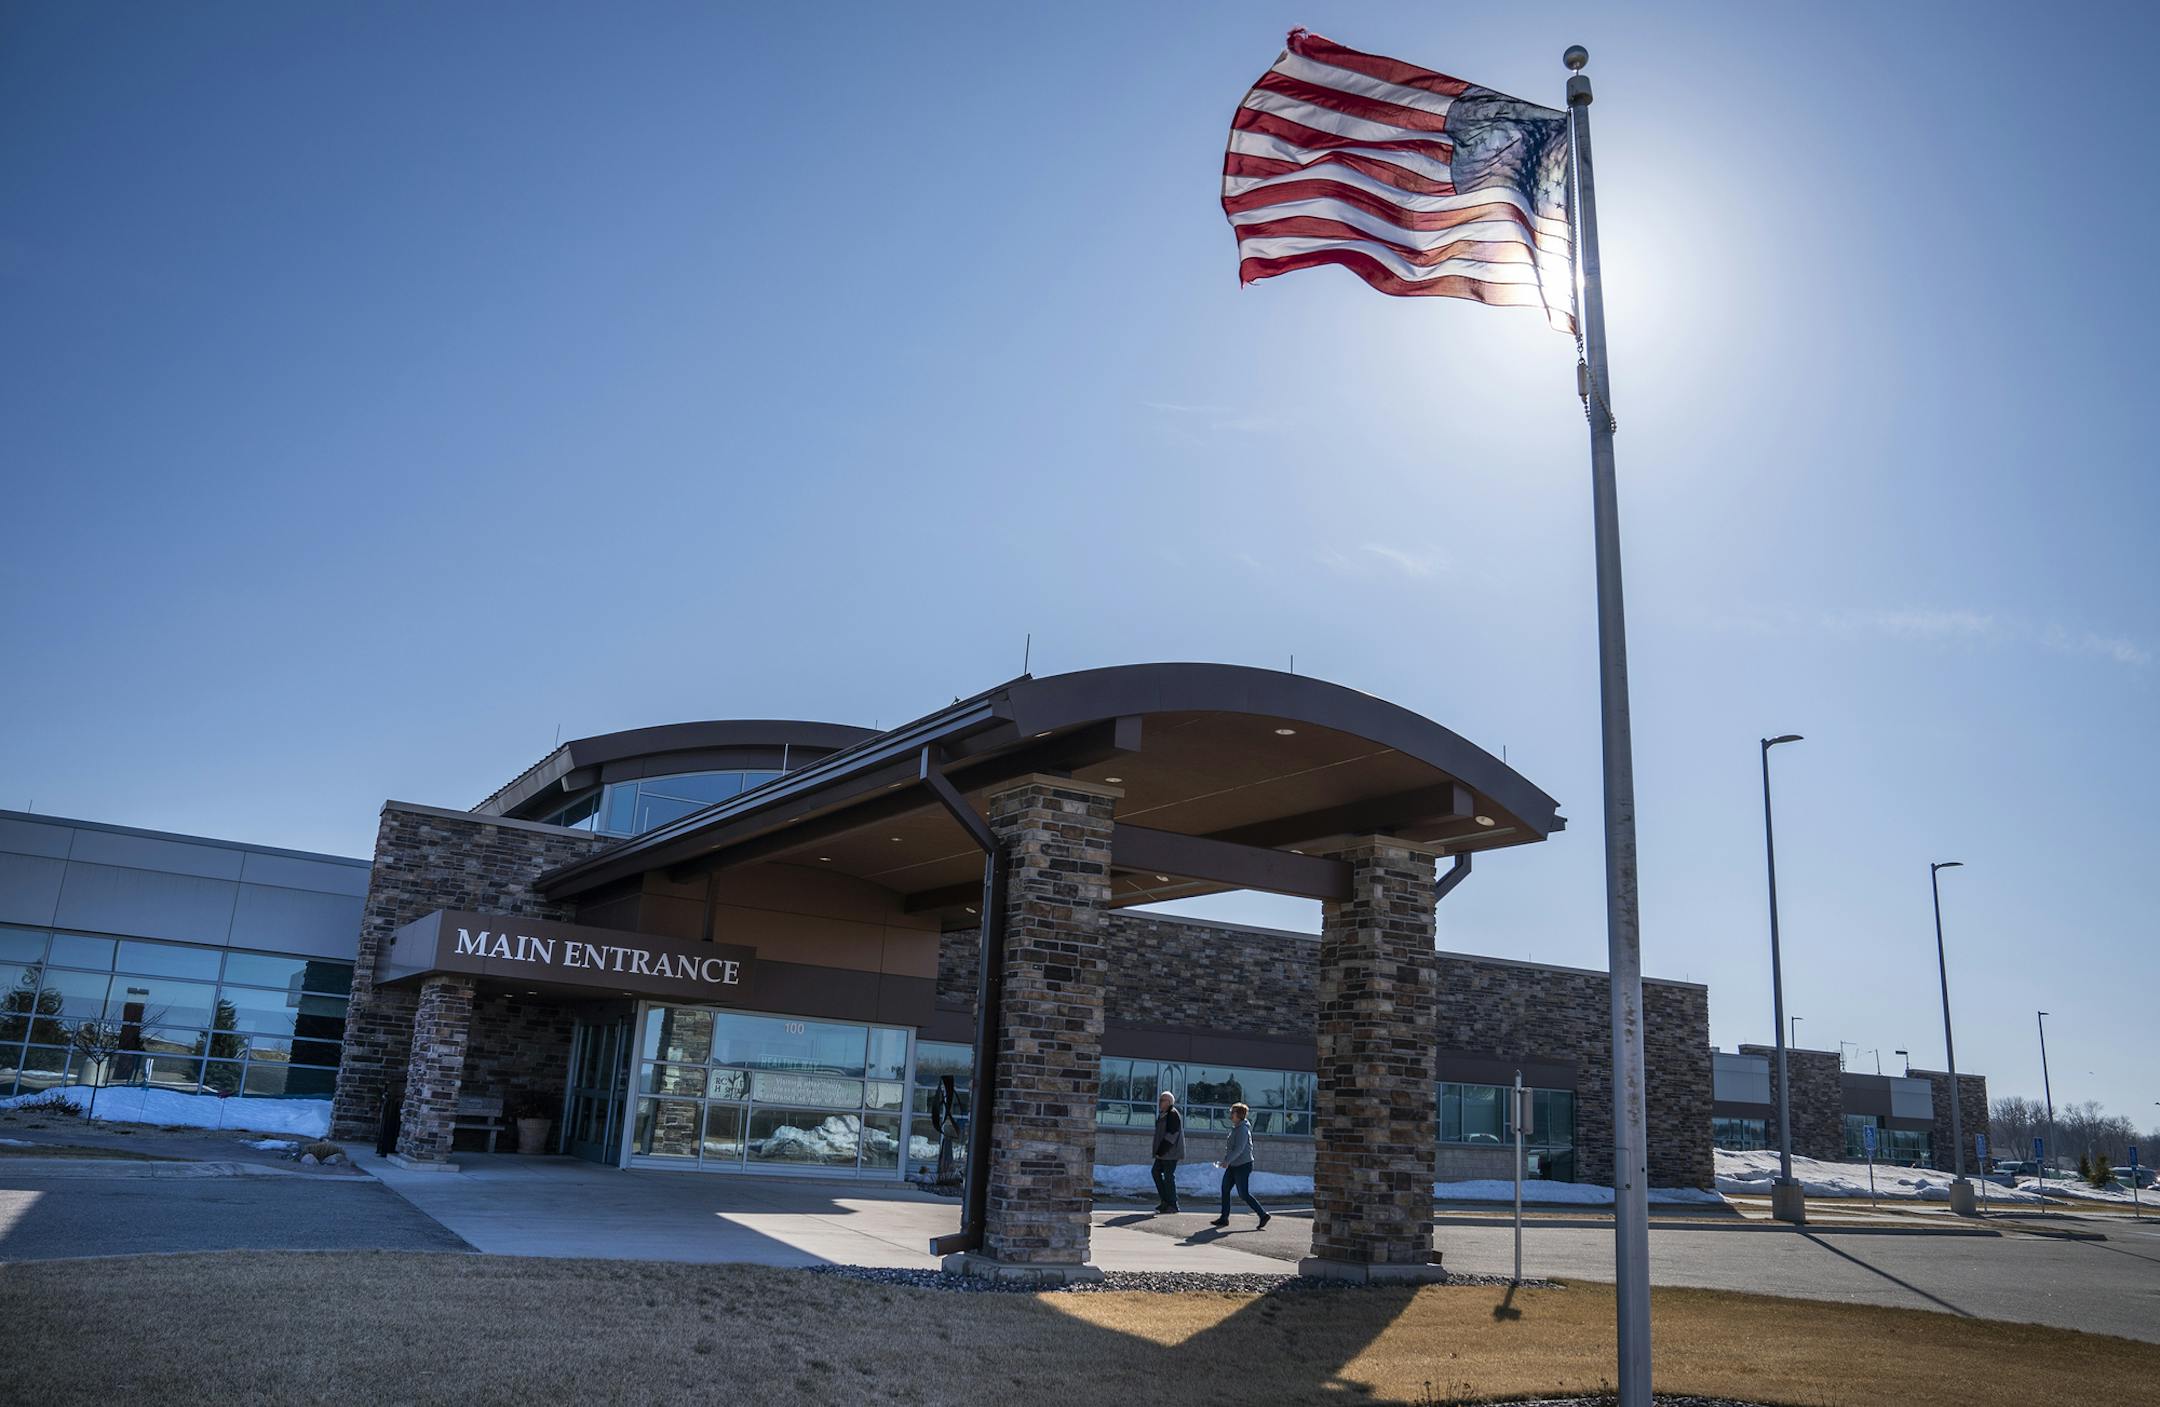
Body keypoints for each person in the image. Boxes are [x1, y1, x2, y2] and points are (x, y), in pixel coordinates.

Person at [1210, 1101, 1271, 1229]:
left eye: (1233, 1112)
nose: (1230, 1115)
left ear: (1239, 1115)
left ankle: (1263, 1215)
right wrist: (1227, 1160)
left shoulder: (1243, 1129)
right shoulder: (1236, 1128)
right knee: (1225, 1188)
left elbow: (1239, 1149)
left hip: (1243, 1165)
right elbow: (1232, 1148)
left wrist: (1227, 1161)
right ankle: (1224, 1218)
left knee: (1243, 1194)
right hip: (1233, 1165)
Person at [1150, 1090, 1184, 1213]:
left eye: (1162, 1100)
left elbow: (1172, 1134)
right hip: (1162, 1154)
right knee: (1155, 1172)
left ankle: (1172, 1204)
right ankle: (1165, 1201)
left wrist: (1162, 1150)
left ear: (1169, 1102)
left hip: (1170, 1153)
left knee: (1169, 1177)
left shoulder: (1172, 1114)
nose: (1159, 1102)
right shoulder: (1162, 1114)